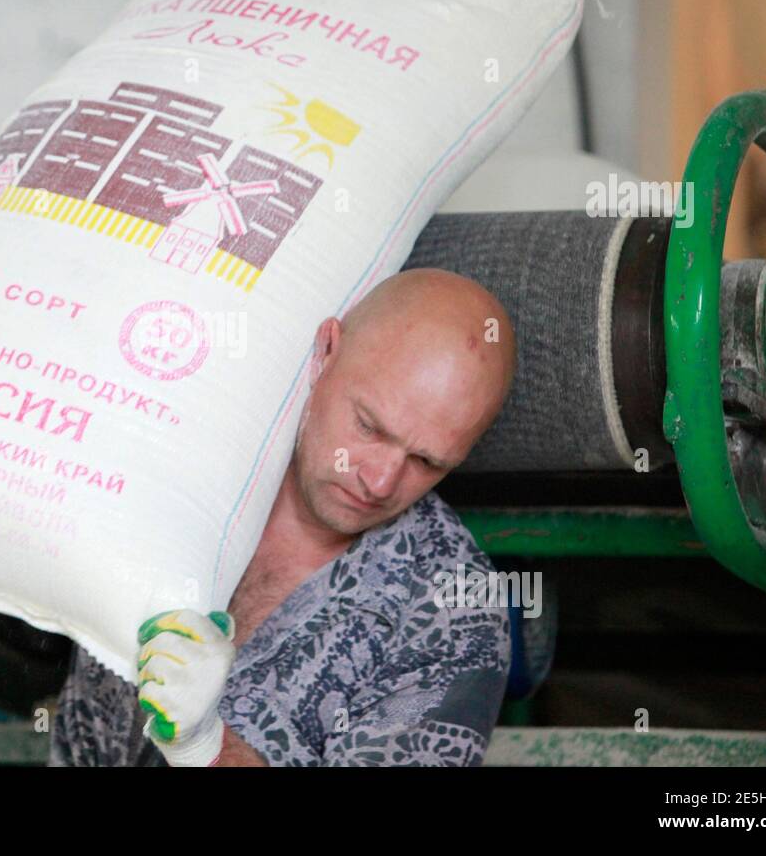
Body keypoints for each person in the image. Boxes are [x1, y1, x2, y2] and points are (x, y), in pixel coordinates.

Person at [50, 268, 519, 766]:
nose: (380, 482)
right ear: (326, 352)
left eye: (427, 461)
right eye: (369, 426)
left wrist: (204, 747)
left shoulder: (451, 614)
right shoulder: (187, 470)